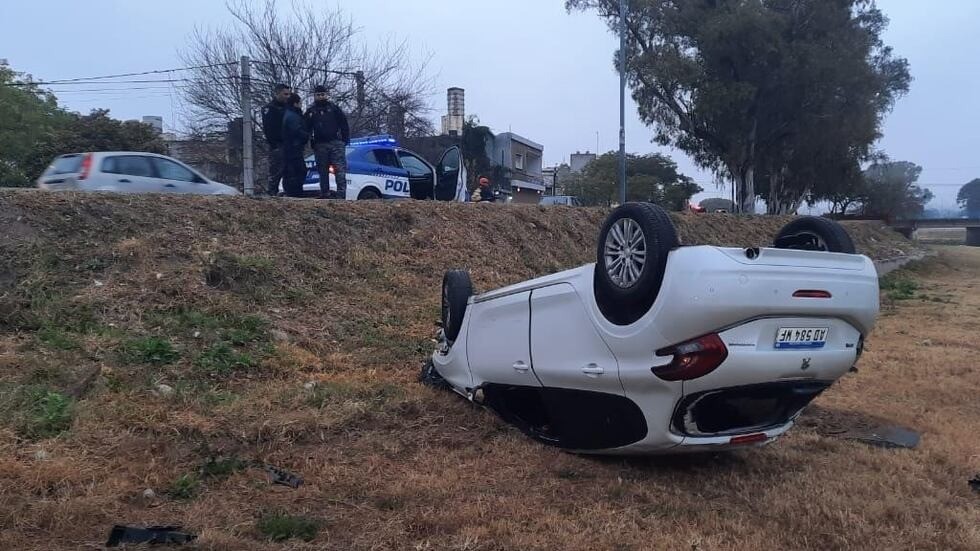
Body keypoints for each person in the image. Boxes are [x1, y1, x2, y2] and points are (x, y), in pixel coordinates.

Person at [305, 85, 350, 199]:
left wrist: (344, 140)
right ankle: (325, 194)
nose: (321, 97)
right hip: (320, 145)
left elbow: (344, 123)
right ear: (314, 96)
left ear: (327, 95)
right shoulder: (311, 111)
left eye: (323, 94)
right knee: (322, 171)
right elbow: (306, 128)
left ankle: (341, 196)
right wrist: (311, 141)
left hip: (335, 143)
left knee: (340, 171)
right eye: (318, 95)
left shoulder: (334, 108)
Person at [261, 83, 292, 196]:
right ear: (277, 94)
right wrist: (274, 145)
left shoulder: (288, 108)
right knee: (276, 171)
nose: (287, 97)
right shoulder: (270, 108)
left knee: (289, 171)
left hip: (289, 144)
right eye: (285, 94)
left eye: (288, 94)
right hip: (277, 145)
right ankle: (272, 194)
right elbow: (268, 129)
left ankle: (288, 194)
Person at [280, 93, 309, 198]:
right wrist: (306, 136)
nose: (301, 105)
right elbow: (296, 131)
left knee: (293, 172)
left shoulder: (288, 114)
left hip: (291, 148)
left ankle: (292, 192)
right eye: (300, 102)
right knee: (297, 171)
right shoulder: (293, 116)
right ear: (295, 103)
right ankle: (294, 193)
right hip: (293, 148)